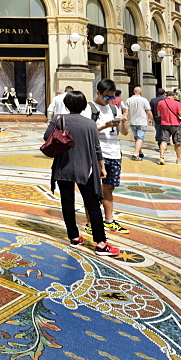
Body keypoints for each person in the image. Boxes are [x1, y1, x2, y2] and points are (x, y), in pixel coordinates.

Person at [44, 90, 119, 257]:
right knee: (92, 203)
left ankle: (74, 237)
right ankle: (100, 243)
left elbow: (46, 136)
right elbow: (96, 148)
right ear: (84, 105)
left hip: (63, 167)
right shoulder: (90, 124)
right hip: (86, 168)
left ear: (67, 105)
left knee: (67, 202)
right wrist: (102, 167)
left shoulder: (58, 119)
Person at [87, 79, 129, 236]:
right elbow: (87, 131)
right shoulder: (89, 108)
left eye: (112, 97)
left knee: (109, 188)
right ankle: (91, 222)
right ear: (98, 92)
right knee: (93, 190)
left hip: (114, 153)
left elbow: (125, 132)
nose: (109, 100)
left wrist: (124, 120)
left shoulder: (113, 108)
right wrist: (105, 126)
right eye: (106, 97)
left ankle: (109, 220)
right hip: (97, 154)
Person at [157, 90, 181, 165]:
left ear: (166, 95)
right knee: (177, 142)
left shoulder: (161, 102)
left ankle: (162, 157)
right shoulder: (177, 103)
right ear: (174, 96)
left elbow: (159, 114)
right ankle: (179, 158)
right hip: (175, 124)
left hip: (164, 124)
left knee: (164, 140)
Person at [126, 85, 154, 160]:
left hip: (132, 121)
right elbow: (148, 111)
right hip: (142, 122)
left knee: (137, 138)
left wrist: (125, 118)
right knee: (140, 138)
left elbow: (126, 111)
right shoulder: (144, 100)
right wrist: (152, 119)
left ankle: (140, 152)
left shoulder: (128, 100)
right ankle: (135, 154)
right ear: (141, 92)